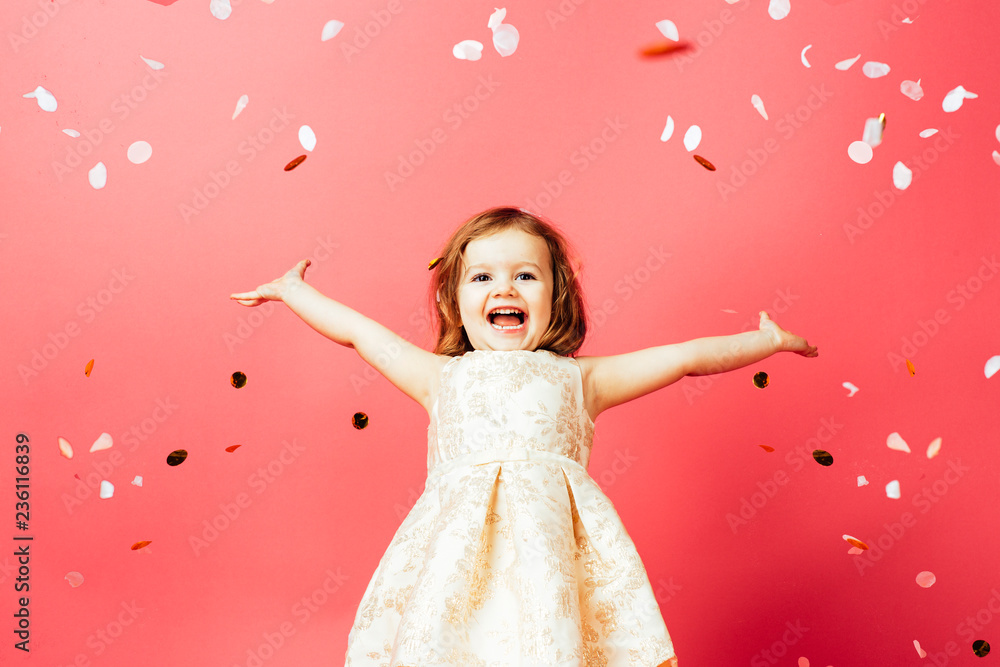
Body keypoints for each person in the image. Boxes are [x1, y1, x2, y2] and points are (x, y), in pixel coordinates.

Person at [230, 206, 818, 666]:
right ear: (454, 303)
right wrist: (295, 291)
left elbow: (687, 358)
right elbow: (360, 334)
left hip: (552, 562)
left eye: (526, 276)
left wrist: (766, 342)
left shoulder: (580, 378)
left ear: (556, 295)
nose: (505, 288)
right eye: (482, 276)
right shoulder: (441, 378)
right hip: (458, 560)